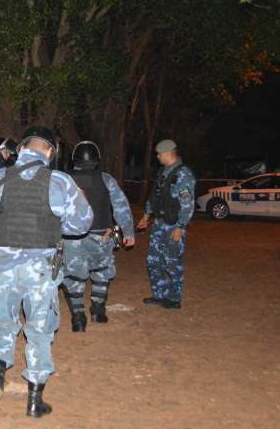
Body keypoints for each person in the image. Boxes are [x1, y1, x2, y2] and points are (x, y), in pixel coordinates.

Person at [0, 126, 92, 418]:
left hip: (2, 265)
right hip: (40, 267)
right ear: (50, 151)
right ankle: (34, 399)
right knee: (40, 328)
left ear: (21, 149)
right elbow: (81, 225)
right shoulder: (60, 181)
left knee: (2, 322)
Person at [61, 141, 135, 331]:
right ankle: (97, 310)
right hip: (101, 236)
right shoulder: (106, 179)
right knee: (102, 272)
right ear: (97, 159)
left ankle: (78, 317)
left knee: (73, 276)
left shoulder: (63, 179)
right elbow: (121, 207)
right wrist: (127, 232)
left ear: (74, 158)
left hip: (71, 237)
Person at [136, 139, 196, 309]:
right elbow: (155, 197)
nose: (157, 156)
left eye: (159, 154)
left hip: (173, 225)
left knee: (172, 262)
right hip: (159, 223)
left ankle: (174, 298)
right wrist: (146, 216)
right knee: (153, 261)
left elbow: (187, 204)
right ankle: (159, 294)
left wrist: (180, 227)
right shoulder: (163, 172)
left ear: (168, 153)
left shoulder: (183, 175)